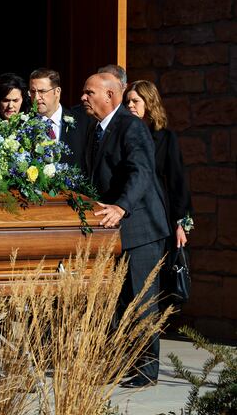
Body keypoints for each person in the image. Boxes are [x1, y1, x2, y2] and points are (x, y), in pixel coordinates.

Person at [81, 73, 170, 388]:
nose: (83, 98)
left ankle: (146, 371)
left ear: (109, 95)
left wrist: (121, 206)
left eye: (89, 92)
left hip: (140, 229)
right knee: (115, 304)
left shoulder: (131, 126)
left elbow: (141, 171)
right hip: (112, 232)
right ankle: (115, 365)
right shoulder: (95, 129)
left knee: (141, 300)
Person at [125, 79, 193, 300]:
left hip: (160, 217)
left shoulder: (165, 137)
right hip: (131, 217)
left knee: (157, 284)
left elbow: (177, 183)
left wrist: (181, 224)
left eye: (135, 101)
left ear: (149, 103)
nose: (130, 105)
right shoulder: (125, 135)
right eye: (127, 101)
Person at [29, 67, 89, 171]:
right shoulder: (26, 125)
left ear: (57, 91)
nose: (36, 97)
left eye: (42, 91)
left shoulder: (82, 122)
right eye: (33, 91)